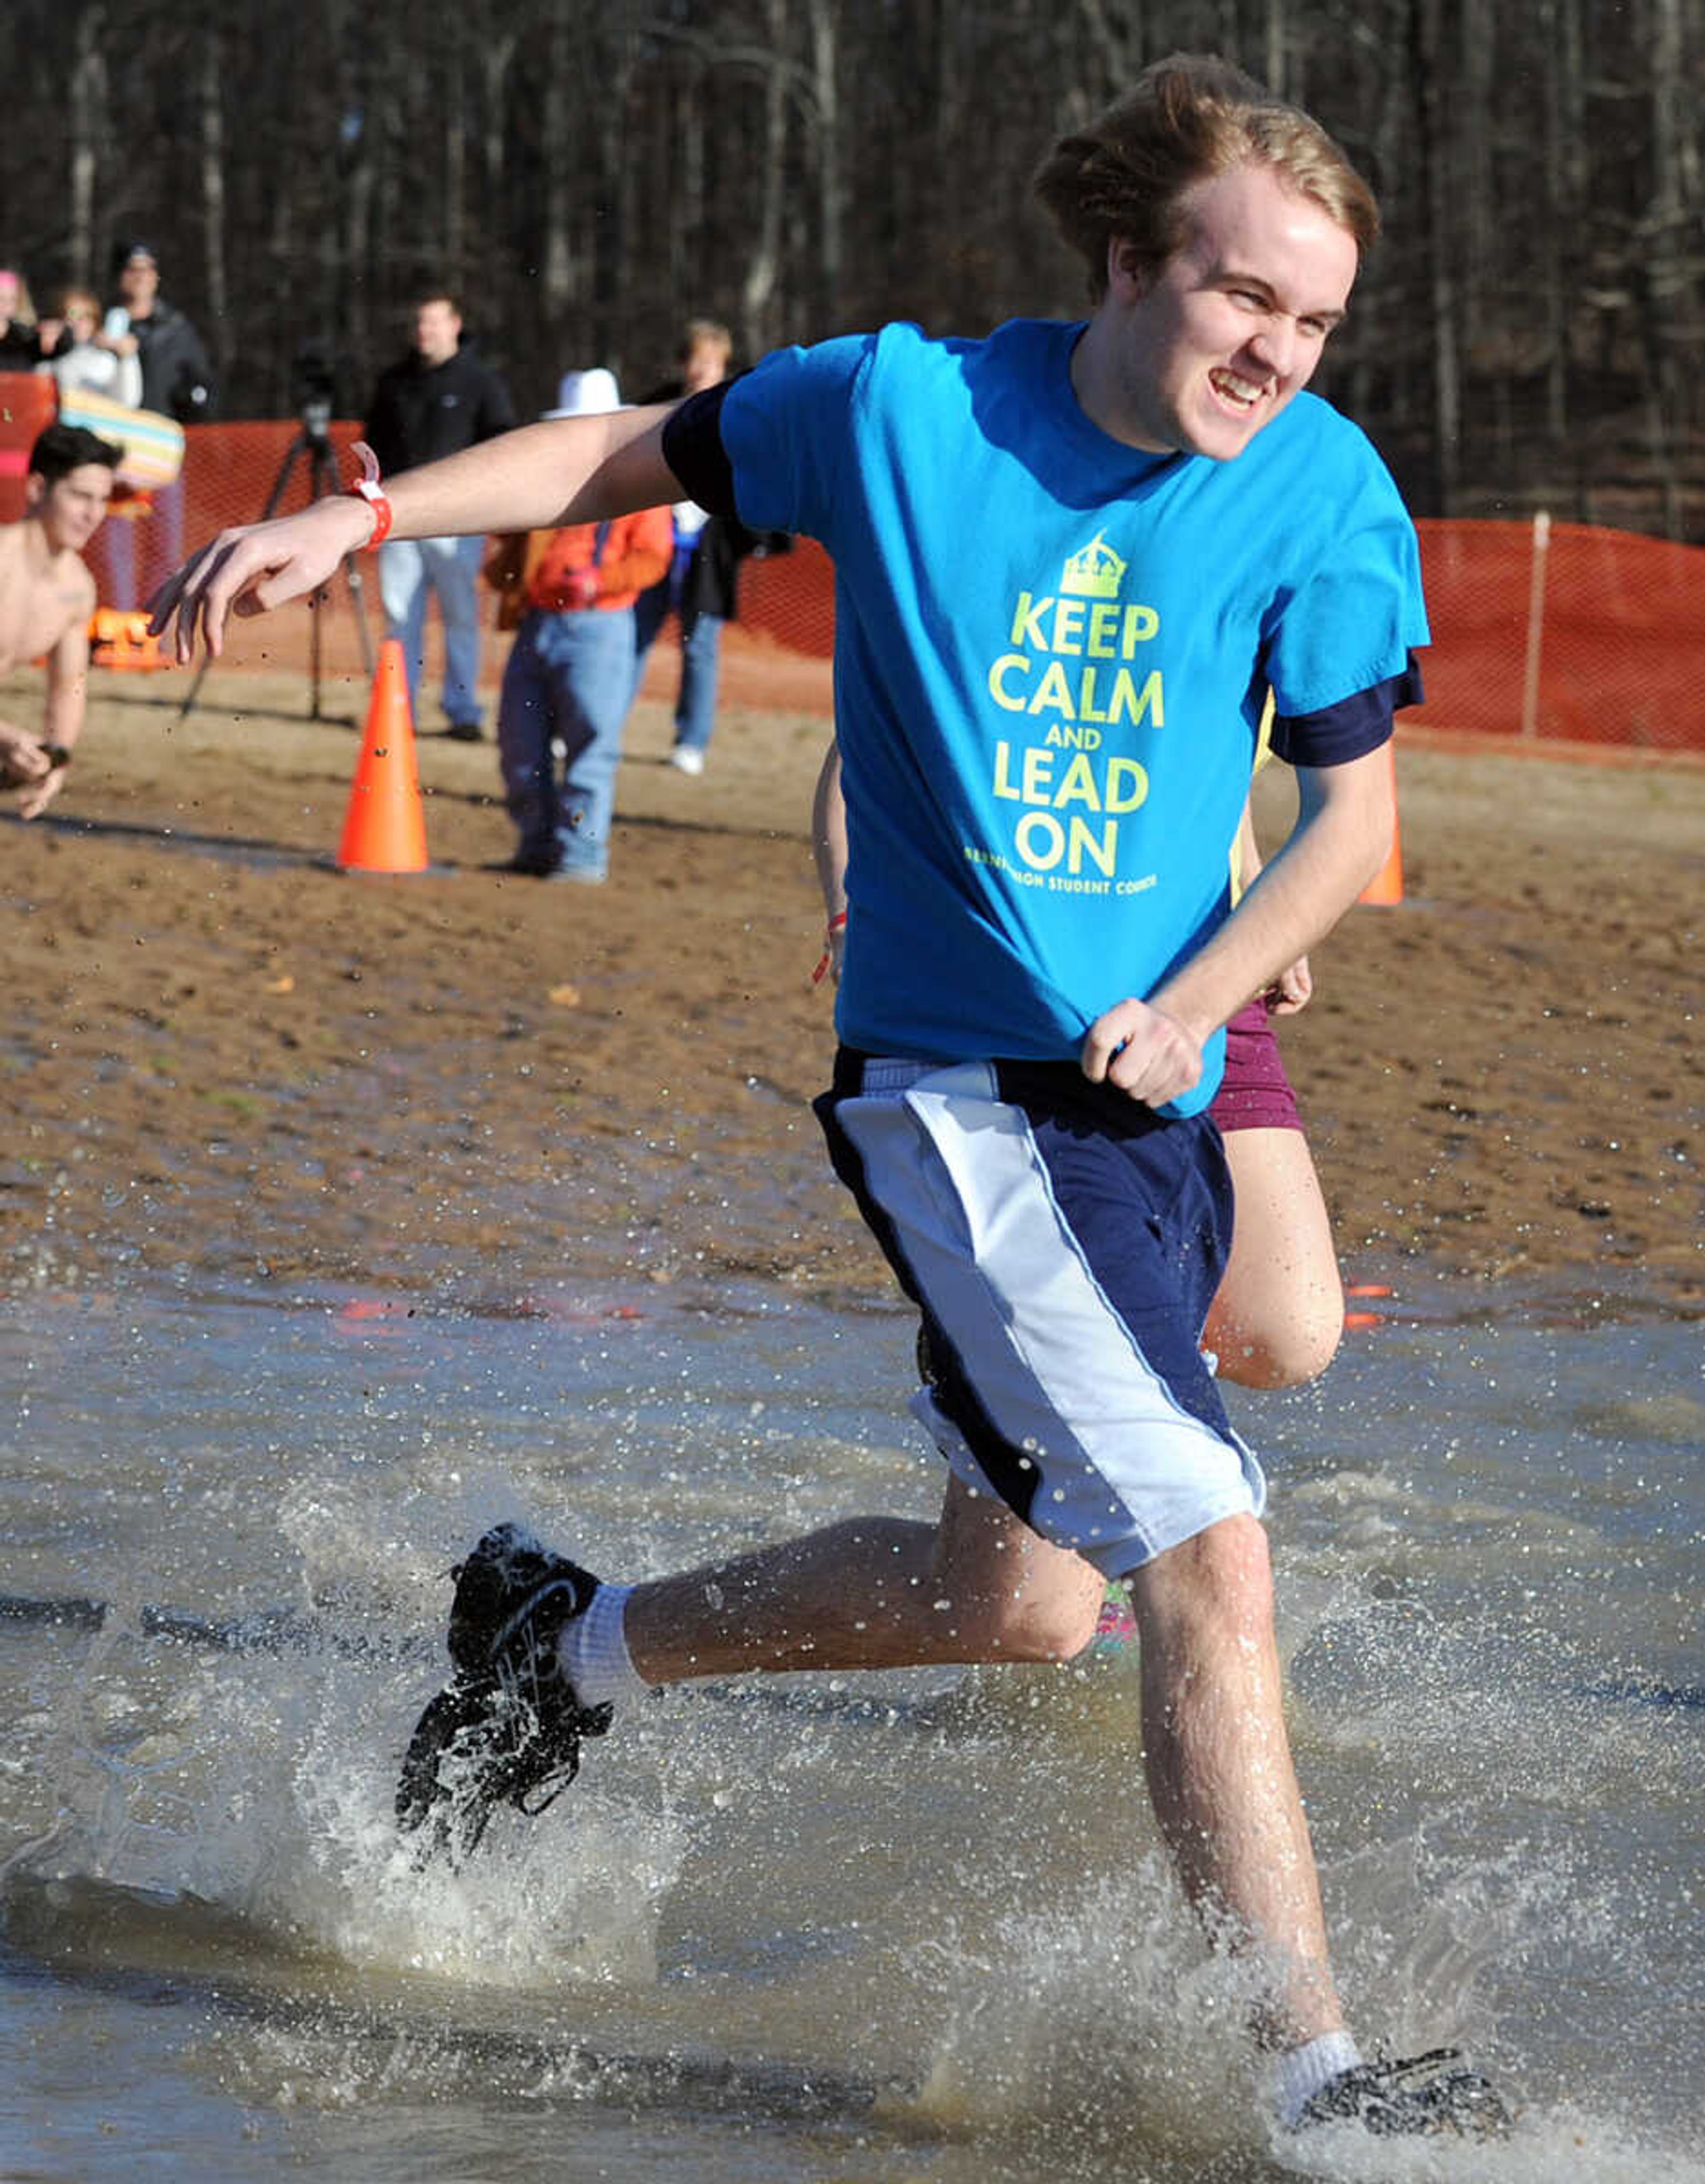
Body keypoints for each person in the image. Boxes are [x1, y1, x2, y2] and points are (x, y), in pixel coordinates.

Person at [153, 55, 1508, 2144]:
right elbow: (625, 450)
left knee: (1030, 1592)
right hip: (969, 1090)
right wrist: (361, 510)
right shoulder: (904, 410)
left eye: (1316, 319)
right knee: (1204, 1547)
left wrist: (1214, 986)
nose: (1276, 352)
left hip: (1166, 1045)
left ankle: (563, 1649)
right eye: (1244, 298)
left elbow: (1347, 820)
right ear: (1131, 255)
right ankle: (1321, 2086)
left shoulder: (1320, 487)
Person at [482, 368, 672, 881]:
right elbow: (504, 548)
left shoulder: (642, 487)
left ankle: (581, 857)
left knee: (590, 749)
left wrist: (601, 580)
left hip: (599, 627)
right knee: (520, 743)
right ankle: (538, 845)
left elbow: (654, 558)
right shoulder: (543, 485)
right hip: (539, 621)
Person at [364, 289, 515, 740]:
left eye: (433, 322)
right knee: (400, 616)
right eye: (418, 323)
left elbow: (502, 445)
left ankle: (462, 708)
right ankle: (398, 709)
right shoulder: (393, 383)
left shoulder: (482, 383)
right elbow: (373, 448)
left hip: (459, 523)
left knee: (461, 614)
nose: (424, 331)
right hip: (400, 519)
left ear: (455, 324)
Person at [631, 318, 746, 776]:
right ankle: (598, 724)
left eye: (712, 362)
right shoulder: (652, 407)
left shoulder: (738, 408)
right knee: (632, 637)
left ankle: (692, 739)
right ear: (683, 363)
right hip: (649, 540)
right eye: (696, 360)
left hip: (707, 551)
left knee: (699, 647)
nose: (702, 370)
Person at [0, 421, 119, 818]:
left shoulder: (78, 588)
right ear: (37, 488)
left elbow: (68, 686)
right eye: (80, 496)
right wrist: (5, 738)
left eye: (102, 499)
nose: (93, 514)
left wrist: (56, 758)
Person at [99, 241, 214, 606]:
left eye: (147, 269)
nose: (140, 277)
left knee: (164, 540)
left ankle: (154, 628)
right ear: (120, 276)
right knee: (114, 539)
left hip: (160, 445)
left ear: (157, 276)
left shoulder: (177, 329)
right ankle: (117, 624)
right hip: (113, 445)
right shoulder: (105, 323)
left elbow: (202, 385)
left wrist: (192, 398)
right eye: (132, 269)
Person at [40, 286, 144, 408]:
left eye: (86, 316)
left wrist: (128, 358)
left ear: (95, 322)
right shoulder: (50, 355)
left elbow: (128, 401)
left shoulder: (106, 359)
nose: (77, 323)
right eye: (71, 313)